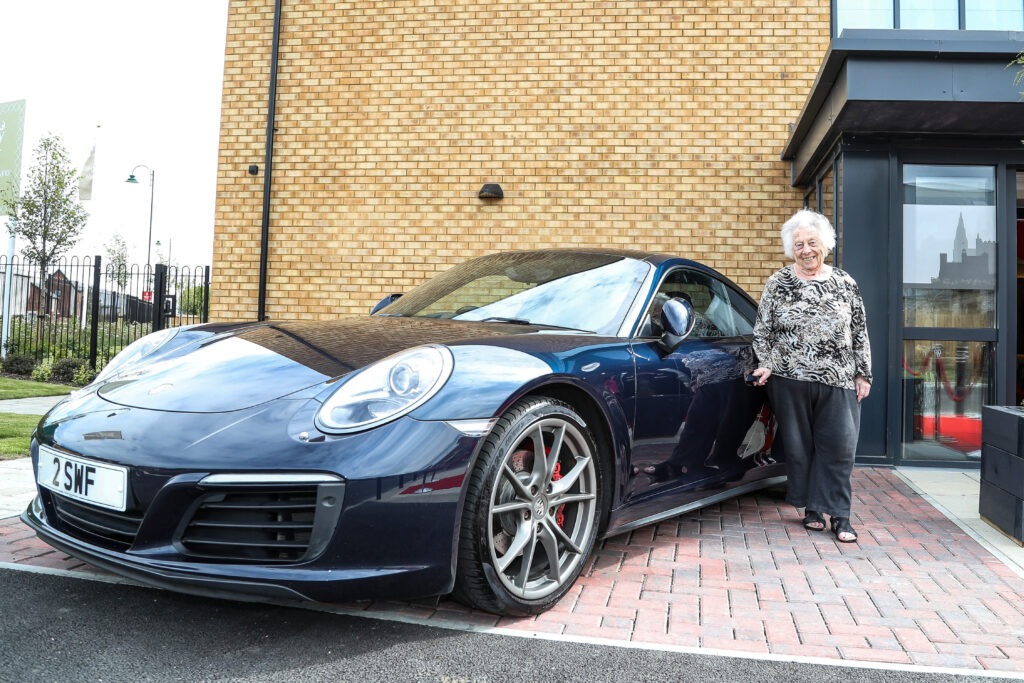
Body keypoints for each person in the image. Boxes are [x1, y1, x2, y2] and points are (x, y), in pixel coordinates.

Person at [749, 209, 871, 543]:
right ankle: (813, 510)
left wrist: (864, 373)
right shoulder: (778, 283)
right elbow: (763, 332)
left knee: (840, 447)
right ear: (792, 248)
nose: (806, 250)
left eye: (812, 242)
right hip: (790, 377)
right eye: (799, 244)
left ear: (825, 244)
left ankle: (841, 516)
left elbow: (859, 332)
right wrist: (767, 363)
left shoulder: (845, 283)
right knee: (802, 448)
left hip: (839, 378)